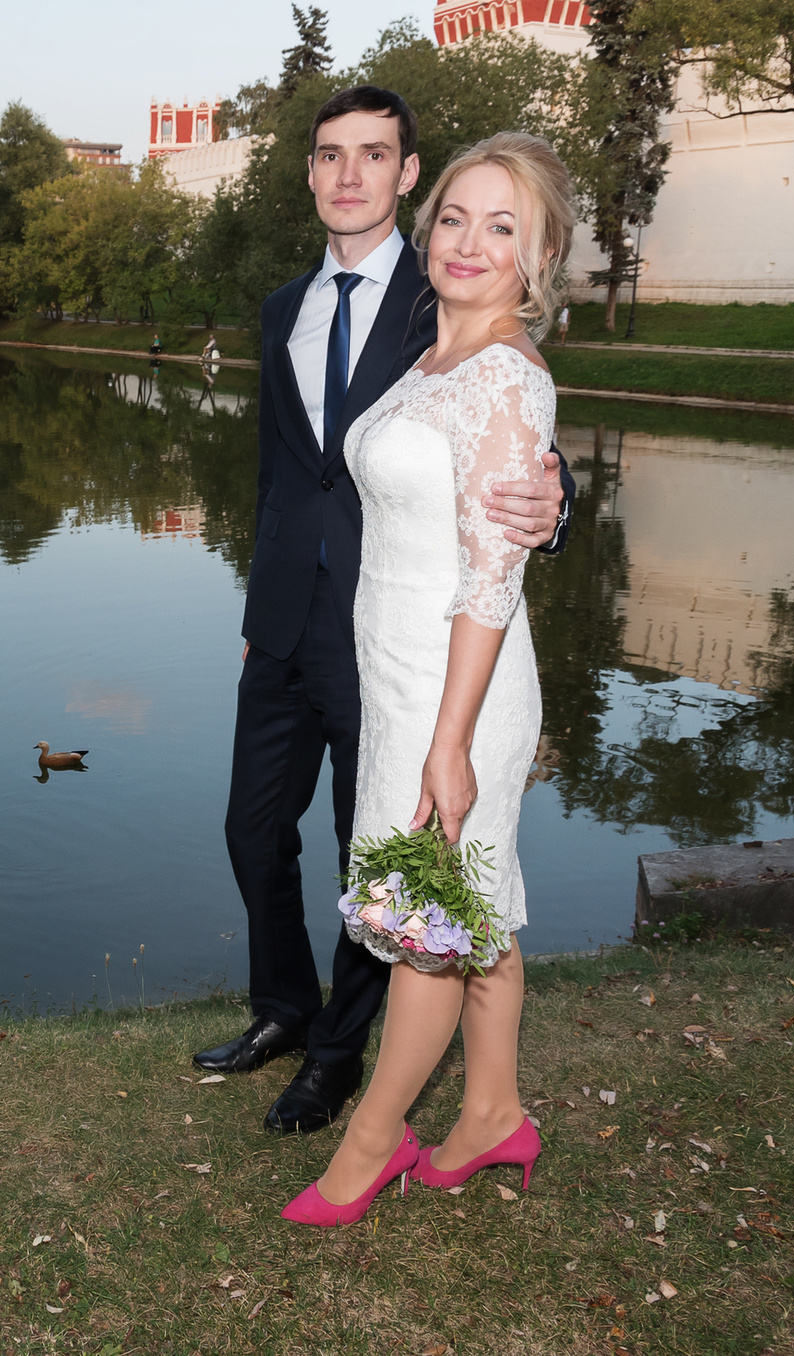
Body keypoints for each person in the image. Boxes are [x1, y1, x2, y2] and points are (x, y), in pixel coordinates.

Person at [193, 87, 573, 1136]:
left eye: (374, 155)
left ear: (409, 174)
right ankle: (282, 1007)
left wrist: (557, 505)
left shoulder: (446, 286)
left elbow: (518, 434)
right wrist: (256, 605)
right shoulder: (282, 308)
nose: (349, 174)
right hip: (284, 621)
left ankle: (336, 1056)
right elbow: (280, 472)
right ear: (310, 173)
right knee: (253, 828)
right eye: (330, 155)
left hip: (397, 634)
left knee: (375, 853)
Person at [280, 130, 573, 1226]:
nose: (468, 241)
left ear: (539, 257)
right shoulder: (432, 355)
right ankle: (491, 1112)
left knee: (427, 925)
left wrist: (450, 745)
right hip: (401, 677)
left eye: (503, 226)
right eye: (455, 216)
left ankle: (373, 1142)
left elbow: (490, 581)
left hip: (460, 694)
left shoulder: (505, 375)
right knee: (473, 906)